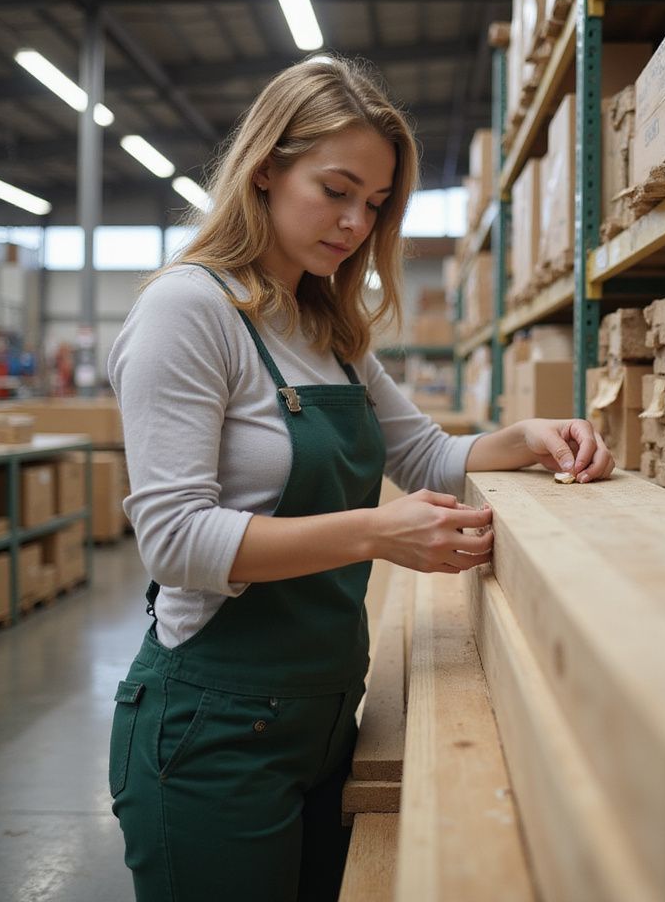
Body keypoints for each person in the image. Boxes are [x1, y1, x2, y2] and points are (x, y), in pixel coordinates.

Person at [107, 55, 614, 902]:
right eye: (335, 189)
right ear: (266, 167)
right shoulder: (189, 310)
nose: (353, 222)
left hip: (325, 711)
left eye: (374, 204)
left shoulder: (324, 326)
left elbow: (424, 455)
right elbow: (175, 541)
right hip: (214, 727)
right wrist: (380, 532)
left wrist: (527, 436)